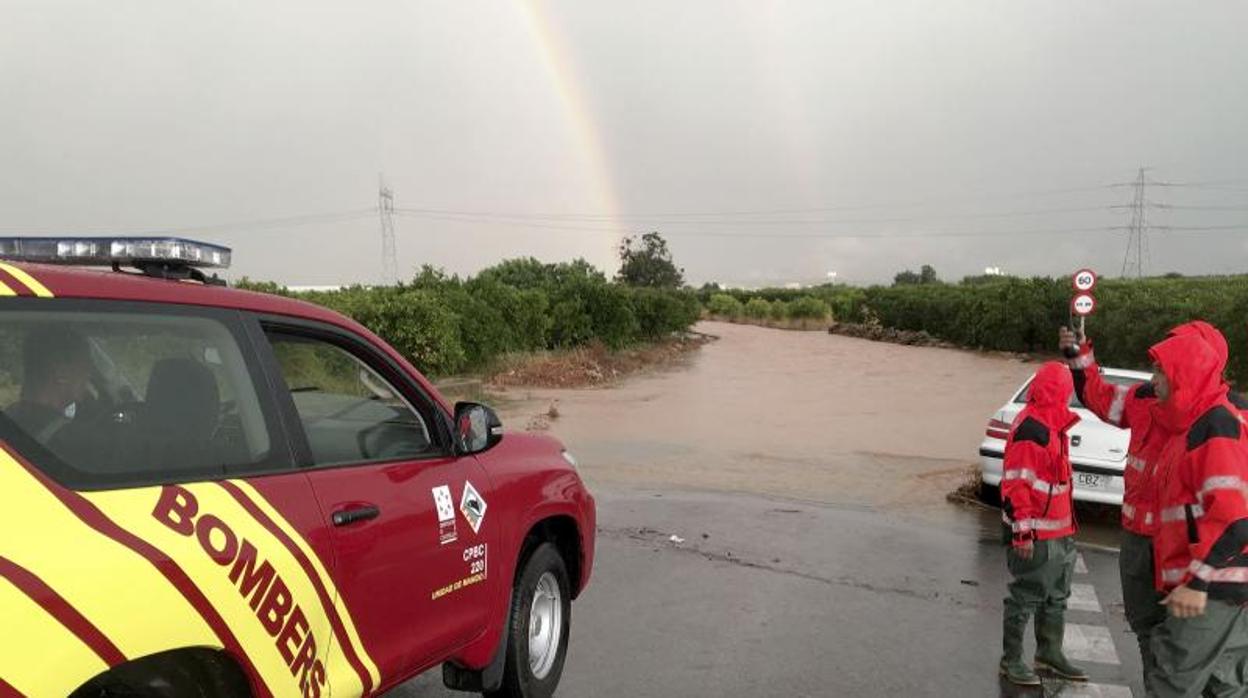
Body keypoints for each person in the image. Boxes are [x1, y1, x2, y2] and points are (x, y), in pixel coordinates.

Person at [1148, 332, 1248, 697]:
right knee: (1226, 684)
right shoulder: (1202, 421)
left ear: (1182, 373)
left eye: (1160, 371)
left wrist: (1197, 583)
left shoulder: (1214, 424)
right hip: (1225, 586)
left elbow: (1234, 516)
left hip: (1214, 588)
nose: (1153, 380)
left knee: (1173, 680)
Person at [1000, 361, 1088, 686]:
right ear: (1061, 390)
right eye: (1068, 389)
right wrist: (1022, 533)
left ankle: (1049, 653)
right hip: (1036, 534)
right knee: (1026, 597)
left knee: (1056, 596)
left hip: (1060, 531)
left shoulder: (1053, 426)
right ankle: (1011, 661)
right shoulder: (1032, 429)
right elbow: (1016, 485)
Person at [4, 327, 93, 443]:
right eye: (85, 369)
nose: (88, 377)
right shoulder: (71, 441)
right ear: (62, 373)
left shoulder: (8, 419)